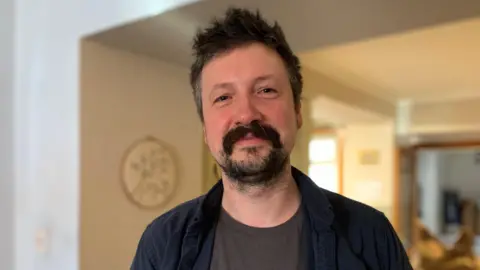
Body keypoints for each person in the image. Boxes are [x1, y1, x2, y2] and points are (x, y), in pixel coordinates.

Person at [131, 7, 413, 270]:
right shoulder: (162, 244)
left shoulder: (371, 235)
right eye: (223, 97)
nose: (246, 114)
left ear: (297, 111)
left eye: (265, 90)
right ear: (205, 129)